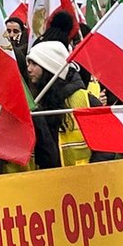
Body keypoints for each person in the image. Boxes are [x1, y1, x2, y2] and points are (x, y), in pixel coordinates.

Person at [27, 41, 92, 169]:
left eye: (34, 64)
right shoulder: (33, 101)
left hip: (80, 182)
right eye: (28, 63)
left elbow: (105, 148)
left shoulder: (84, 99)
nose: (29, 69)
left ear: (49, 68)